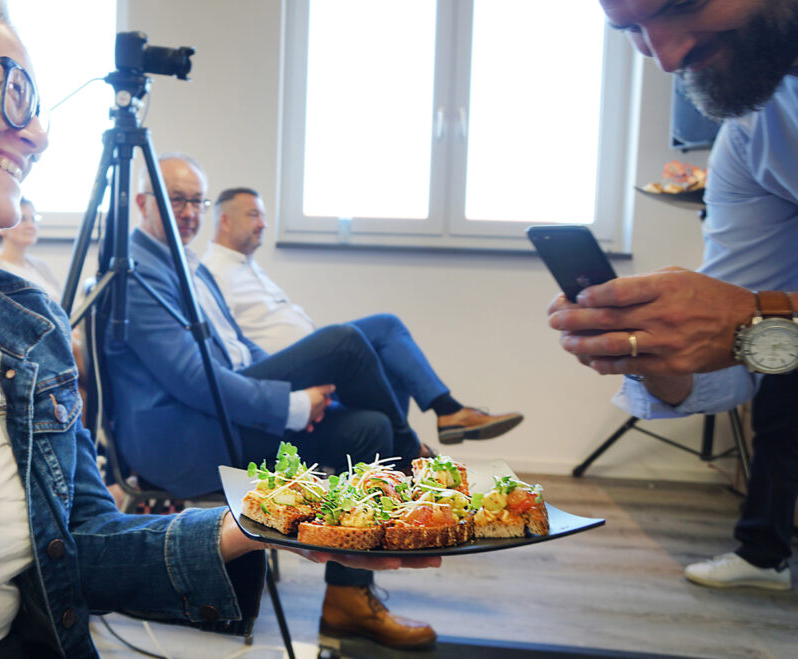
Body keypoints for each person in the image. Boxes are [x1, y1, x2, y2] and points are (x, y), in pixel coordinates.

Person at [0, 3, 437, 656]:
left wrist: (260, 522)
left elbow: (83, 543)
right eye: (16, 91)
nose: (38, 133)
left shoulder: (30, 326)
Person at [102, 153, 439, 649]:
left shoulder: (189, 264)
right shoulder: (133, 274)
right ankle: (419, 469)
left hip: (223, 413)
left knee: (370, 427)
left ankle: (346, 601)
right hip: (183, 437)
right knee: (347, 342)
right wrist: (293, 405)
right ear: (141, 202)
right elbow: (195, 381)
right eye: (177, 200)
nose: (190, 212)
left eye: (197, 200)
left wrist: (298, 394)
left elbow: (242, 349)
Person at [548, 0, 798, 590]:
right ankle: (764, 553)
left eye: (683, 4)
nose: (665, 56)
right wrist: (660, 351)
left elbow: (750, 315)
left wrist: (753, 313)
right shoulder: (753, 133)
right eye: (630, 29)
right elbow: (734, 361)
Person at [202, 187, 524, 444]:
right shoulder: (213, 272)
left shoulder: (250, 268)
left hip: (311, 364)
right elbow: (229, 347)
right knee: (383, 327)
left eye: (264, 215)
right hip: (283, 375)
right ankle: (439, 420)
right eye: (253, 214)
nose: (263, 223)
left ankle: (397, 464)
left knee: (386, 361)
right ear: (225, 220)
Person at [0, 197, 62, 301]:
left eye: (33, 219)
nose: (31, 226)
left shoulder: (41, 266)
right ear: (2, 227)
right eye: (23, 219)